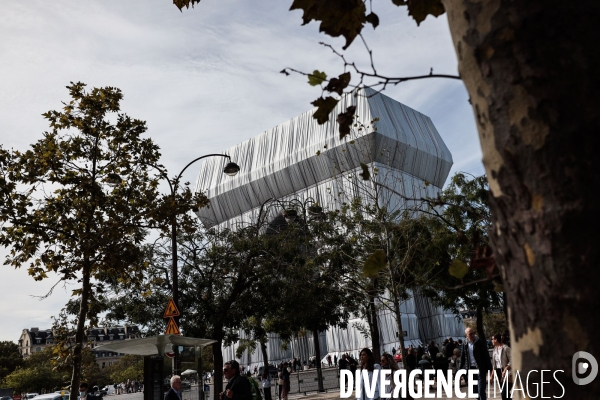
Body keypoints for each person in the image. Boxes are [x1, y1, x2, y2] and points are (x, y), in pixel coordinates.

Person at [460, 328, 492, 400]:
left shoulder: (479, 342)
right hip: (470, 369)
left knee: (481, 390)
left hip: (480, 368)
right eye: (470, 334)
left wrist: (490, 369)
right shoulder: (464, 343)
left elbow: (486, 355)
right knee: (474, 391)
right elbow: (462, 357)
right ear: (466, 335)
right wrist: (460, 370)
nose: (472, 335)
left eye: (473, 333)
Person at [491, 333, 512, 400]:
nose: (491, 341)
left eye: (492, 339)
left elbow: (513, 360)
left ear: (496, 340)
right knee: (505, 394)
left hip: (507, 373)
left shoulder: (506, 348)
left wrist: (506, 368)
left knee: (504, 393)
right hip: (499, 373)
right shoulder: (494, 350)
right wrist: (492, 376)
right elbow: (494, 364)